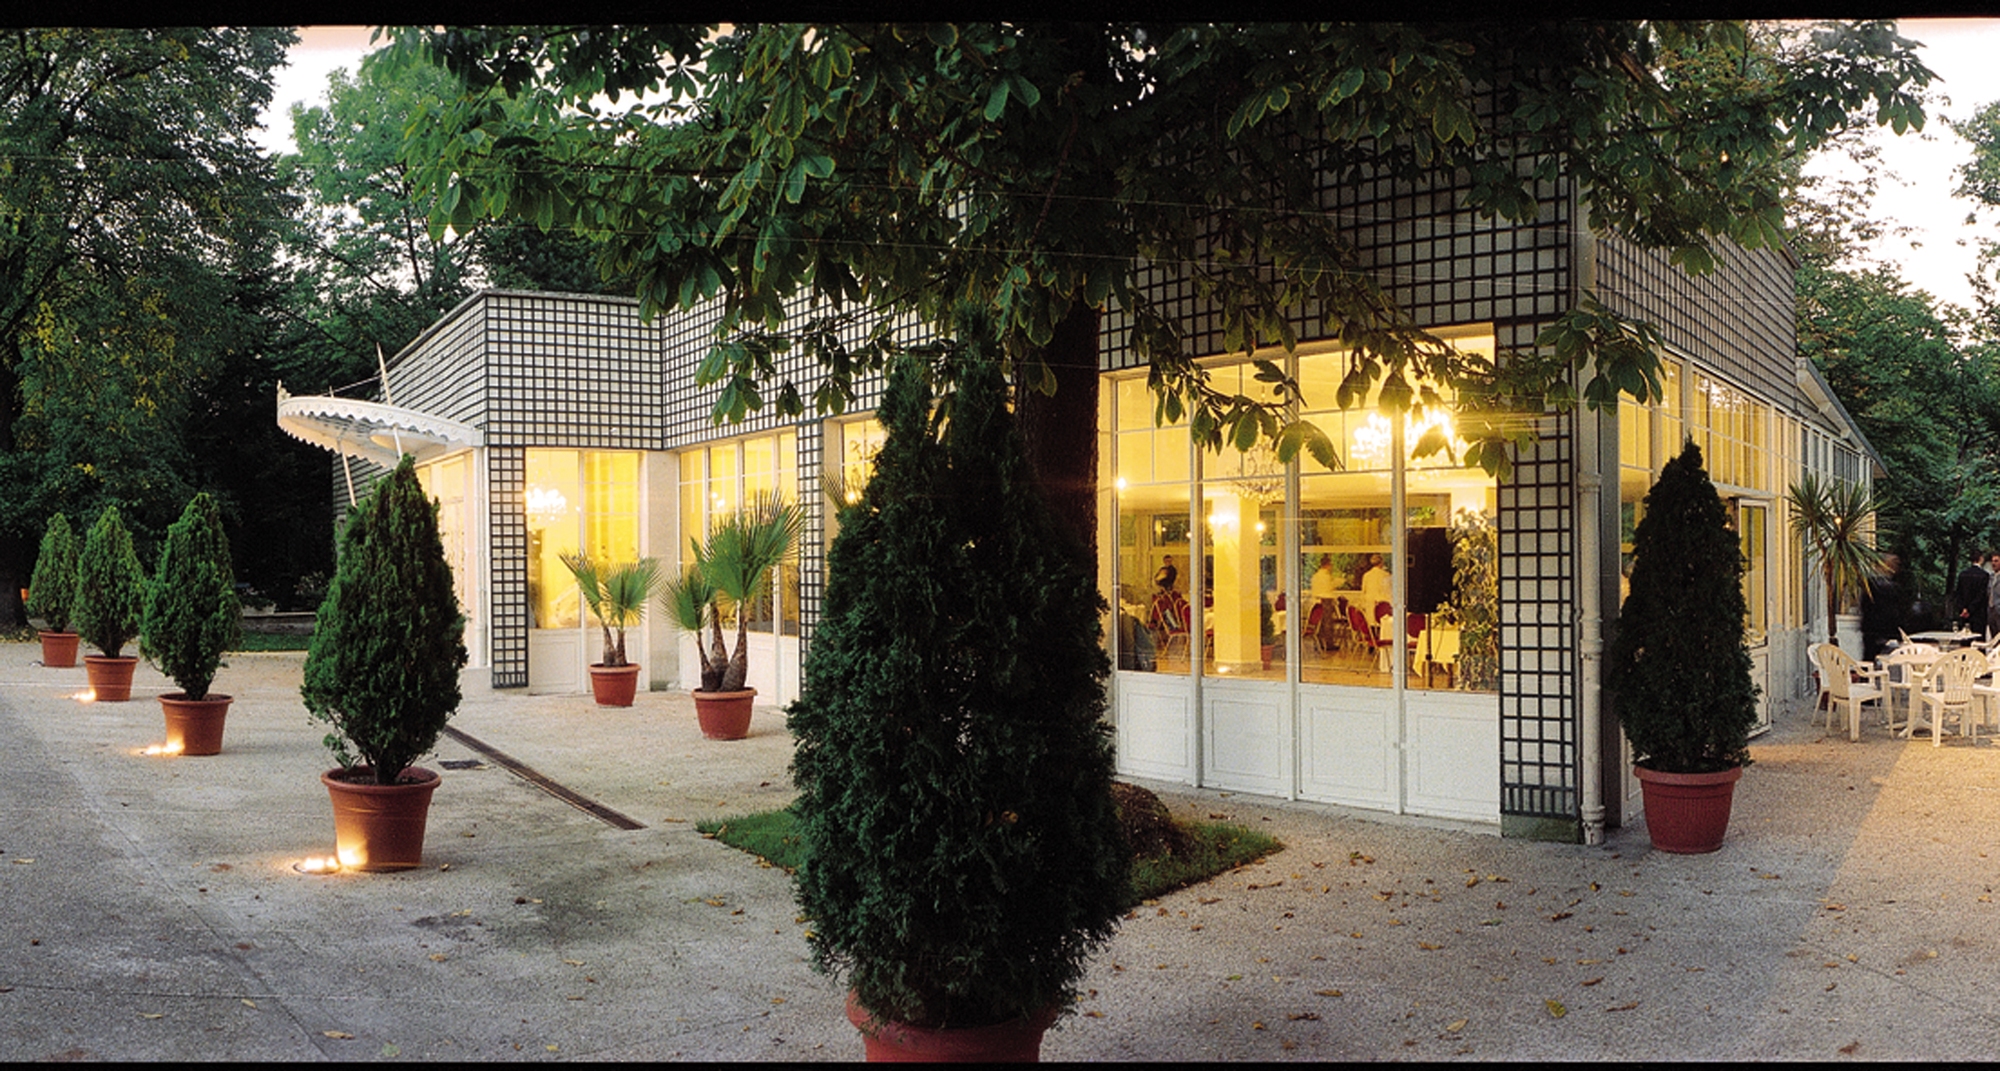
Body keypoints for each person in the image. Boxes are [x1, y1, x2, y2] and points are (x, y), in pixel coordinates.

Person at [1862, 553, 1908, 662]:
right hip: (1881, 629)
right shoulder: (1886, 586)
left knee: (1870, 657)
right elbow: (1893, 609)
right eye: (1894, 564)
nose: (1896, 568)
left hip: (1872, 629)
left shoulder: (1870, 584)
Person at [1953, 549, 1990, 630]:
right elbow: (1981, 595)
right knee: (1978, 637)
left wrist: (1963, 608)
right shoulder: (1984, 575)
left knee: (1964, 635)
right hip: (1978, 612)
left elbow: (1958, 593)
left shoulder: (1963, 574)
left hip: (1964, 613)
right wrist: (1970, 609)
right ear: (1981, 558)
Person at [1359, 553, 1392, 620]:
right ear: (1381, 563)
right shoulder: (1386, 575)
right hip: (1382, 606)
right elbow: (1389, 591)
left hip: (1369, 604)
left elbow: (1363, 591)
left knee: (1371, 623)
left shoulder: (1366, 575)